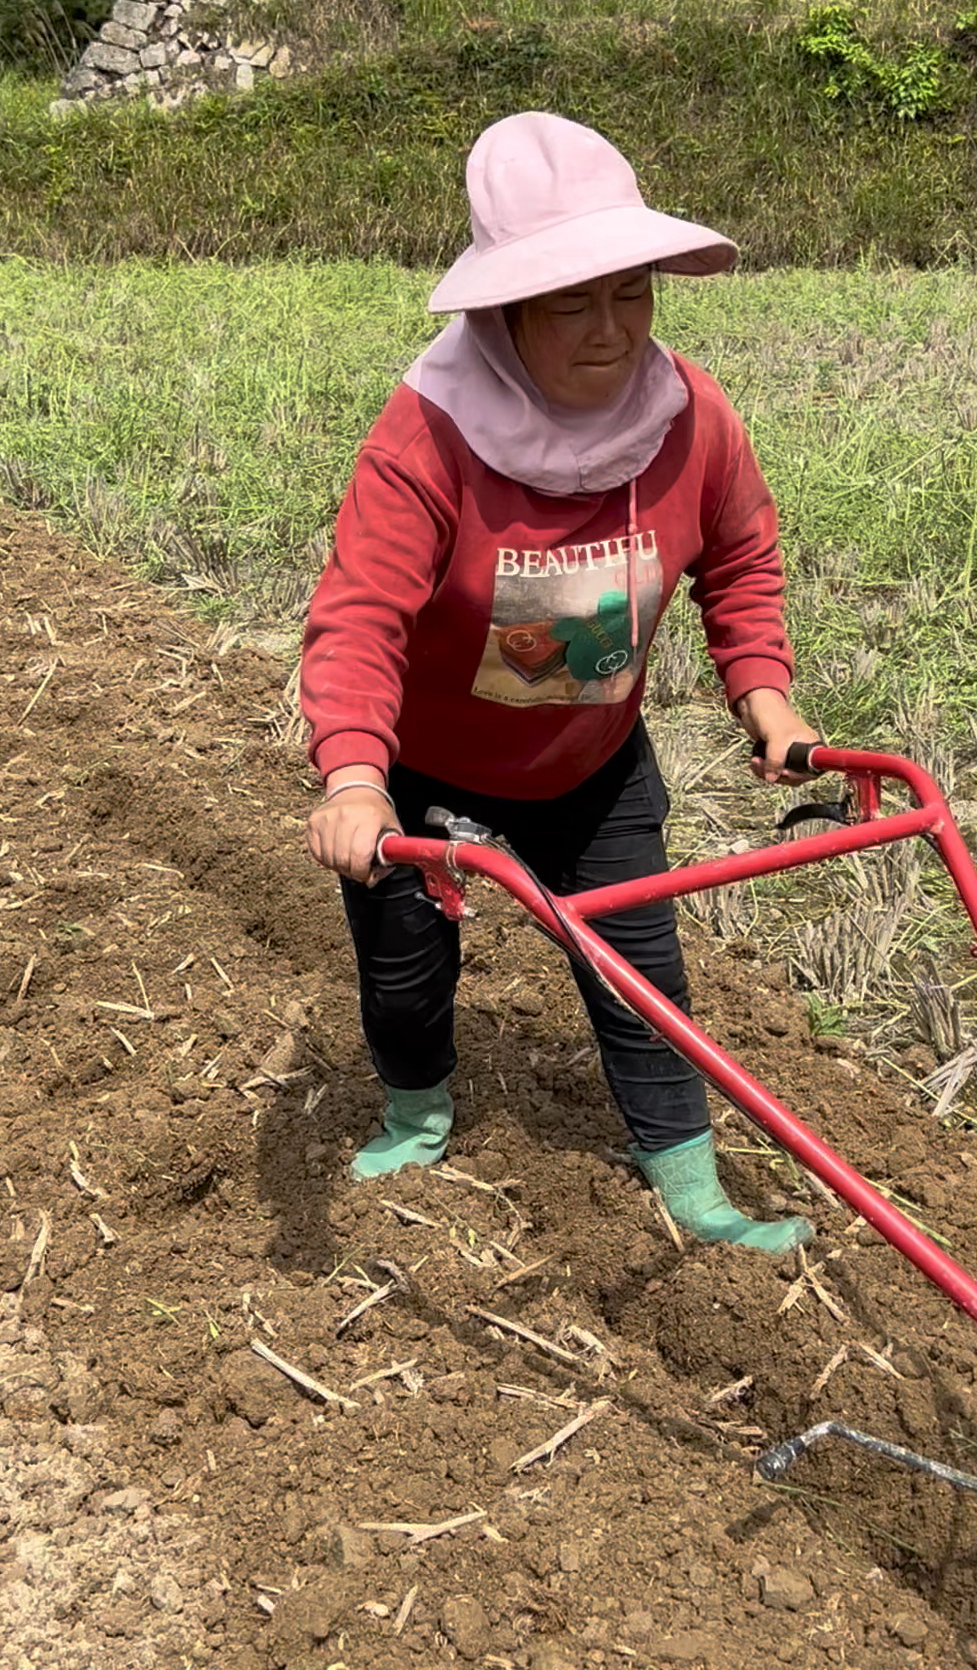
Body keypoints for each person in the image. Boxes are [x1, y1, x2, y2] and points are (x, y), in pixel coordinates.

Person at [300, 110, 818, 1254]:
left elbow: (740, 555)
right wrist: (353, 778)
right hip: (427, 771)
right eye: (571, 302)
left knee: (642, 971)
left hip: (592, 762)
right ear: (503, 312)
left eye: (630, 293)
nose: (610, 329)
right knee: (403, 971)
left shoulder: (691, 417)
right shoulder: (428, 438)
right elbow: (358, 618)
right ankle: (416, 1109)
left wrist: (766, 702)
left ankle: (692, 1188)